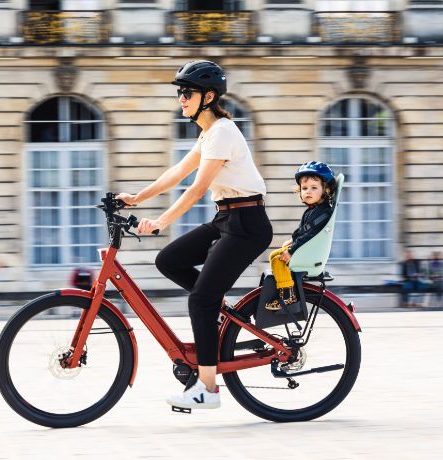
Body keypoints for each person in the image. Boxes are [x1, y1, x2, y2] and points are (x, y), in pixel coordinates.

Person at [116, 60, 273, 411]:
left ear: (209, 96)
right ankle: (215, 309)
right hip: (227, 219)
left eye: (187, 92)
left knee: (199, 300)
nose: (181, 99)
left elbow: (198, 187)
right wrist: (136, 197)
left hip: (247, 224)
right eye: (180, 92)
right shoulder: (207, 134)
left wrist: (161, 221)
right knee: (168, 260)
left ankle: (207, 388)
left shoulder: (223, 131)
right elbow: (177, 172)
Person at [266, 162, 336, 311]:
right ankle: (285, 288)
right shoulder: (314, 210)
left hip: (307, 251)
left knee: (278, 260)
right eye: (304, 188)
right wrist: (291, 241)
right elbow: (303, 232)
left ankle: (287, 295)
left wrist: (292, 251)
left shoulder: (322, 212)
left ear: (327, 190)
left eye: (314, 188)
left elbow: (310, 235)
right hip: (305, 249)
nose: (307, 192)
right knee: (274, 255)